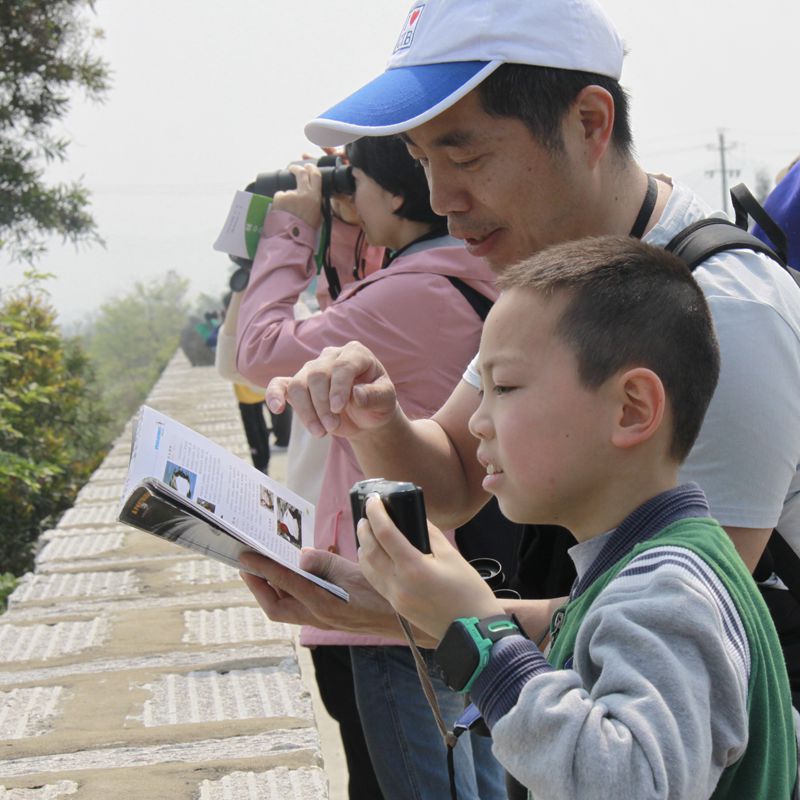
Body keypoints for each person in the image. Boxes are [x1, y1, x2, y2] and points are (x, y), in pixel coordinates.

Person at [240, 0, 800, 703]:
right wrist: (376, 420)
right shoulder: (550, 281)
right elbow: (448, 480)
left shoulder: (724, 314)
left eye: (465, 154)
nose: (443, 199)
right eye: (420, 160)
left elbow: (688, 621)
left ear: (589, 124)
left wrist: (417, 616)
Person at [356, 235, 798, 799]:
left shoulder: (666, 591)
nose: (477, 422)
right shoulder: (675, 565)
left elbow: (634, 785)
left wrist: (484, 639)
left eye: (506, 387)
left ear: (631, 408)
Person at [235, 135, 505, 800]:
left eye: (353, 180)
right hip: (461, 574)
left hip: (390, 592)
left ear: (395, 193)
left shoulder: (407, 297)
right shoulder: (471, 273)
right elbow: (357, 296)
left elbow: (259, 350)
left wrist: (291, 228)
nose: (345, 194)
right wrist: (342, 224)